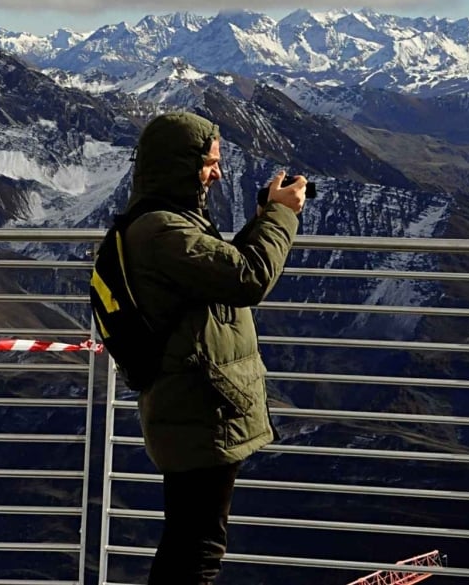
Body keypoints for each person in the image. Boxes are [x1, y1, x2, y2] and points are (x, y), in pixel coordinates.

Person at [123, 110, 306, 585]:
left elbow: (217, 274)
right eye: (209, 163)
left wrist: (263, 218)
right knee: (197, 551)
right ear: (180, 165)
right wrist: (283, 215)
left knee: (189, 542)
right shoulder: (163, 231)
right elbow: (248, 278)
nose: (218, 173)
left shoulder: (164, 224)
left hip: (194, 405)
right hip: (199, 408)